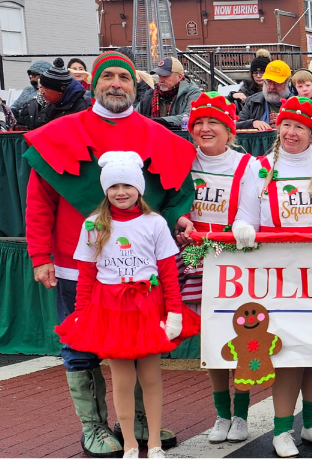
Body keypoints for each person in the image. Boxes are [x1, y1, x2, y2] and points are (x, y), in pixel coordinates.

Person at [24, 52, 196, 456]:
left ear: (134, 85)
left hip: (139, 272)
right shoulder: (59, 133)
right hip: (75, 265)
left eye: (123, 76)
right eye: (108, 77)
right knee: (80, 345)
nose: (116, 83)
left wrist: (181, 218)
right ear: (94, 84)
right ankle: (94, 427)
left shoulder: (159, 136)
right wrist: (39, 256)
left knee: (139, 346)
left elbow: (175, 197)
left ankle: (136, 423)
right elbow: (39, 202)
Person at [232, 96, 312, 458]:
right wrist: (243, 228)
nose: (291, 132)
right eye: (286, 125)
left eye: (300, 127)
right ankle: (282, 430)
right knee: (288, 356)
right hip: (279, 280)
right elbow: (245, 216)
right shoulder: (259, 168)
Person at [53, 150, 198, 459]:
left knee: (150, 378)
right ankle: (130, 443)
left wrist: (173, 310)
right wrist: (80, 314)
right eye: (114, 187)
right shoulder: (94, 225)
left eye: (128, 186)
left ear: (139, 189)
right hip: (112, 311)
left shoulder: (154, 223)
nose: (121, 192)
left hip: (148, 307)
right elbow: (87, 275)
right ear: (106, 189)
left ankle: (154, 442)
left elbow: (168, 272)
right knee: (122, 379)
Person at [170, 93, 260, 445]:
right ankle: (221, 415)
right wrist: (179, 219)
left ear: (229, 129)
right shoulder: (181, 161)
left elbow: (251, 211)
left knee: (242, 337)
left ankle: (241, 414)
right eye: (199, 124)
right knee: (213, 340)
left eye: (214, 124)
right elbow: (169, 202)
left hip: (235, 261)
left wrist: (238, 229)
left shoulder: (248, 165)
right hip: (195, 261)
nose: (205, 129)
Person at [137, 57, 201, 131]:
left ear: (179, 76)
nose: (161, 80)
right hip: (154, 138)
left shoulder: (193, 92)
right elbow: (135, 115)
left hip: (181, 139)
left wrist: (157, 121)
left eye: (165, 76)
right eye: (159, 76)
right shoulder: (151, 93)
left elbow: (191, 116)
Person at [28, 63, 91, 130]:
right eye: (41, 87)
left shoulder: (84, 108)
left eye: (45, 88)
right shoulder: (52, 105)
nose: (41, 92)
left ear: (60, 90)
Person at [237, 60, 292, 131]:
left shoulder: (299, 104)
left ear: (288, 83)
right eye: (268, 82)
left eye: (277, 83)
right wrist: (252, 123)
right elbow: (234, 125)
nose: (272, 87)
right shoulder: (252, 102)